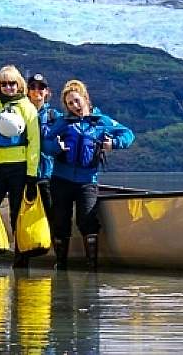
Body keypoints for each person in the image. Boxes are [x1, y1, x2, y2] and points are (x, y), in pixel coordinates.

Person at [44, 79, 134, 269]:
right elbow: (45, 142)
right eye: (70, 103)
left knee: (87, 220)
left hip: (87, 181)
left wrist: (114, 144)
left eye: (77, 100)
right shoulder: (63, 122)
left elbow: (128, 134)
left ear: (85, 98)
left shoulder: (101, 121)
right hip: (61, 179)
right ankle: (61, 265)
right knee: (60, 220)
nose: (75, 106)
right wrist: (55, 147)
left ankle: (91, 265)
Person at [0, 65, 41, 269]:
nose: (9, 87)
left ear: (19, 84)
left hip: (19, 167)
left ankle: (21, 260)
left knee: (16, 214)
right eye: (4, 84)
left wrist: (31, 175)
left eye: (12, 83)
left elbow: (34, 143)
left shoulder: (27, 107)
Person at [27, 73, 60, 216]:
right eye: (33, 87)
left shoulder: (54, 117)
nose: (37, 90)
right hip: (25, 175)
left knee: (52, 216)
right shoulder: (19, 114)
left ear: (47, 91)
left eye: (41, 87)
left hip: (48, 175)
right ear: (27, 91)